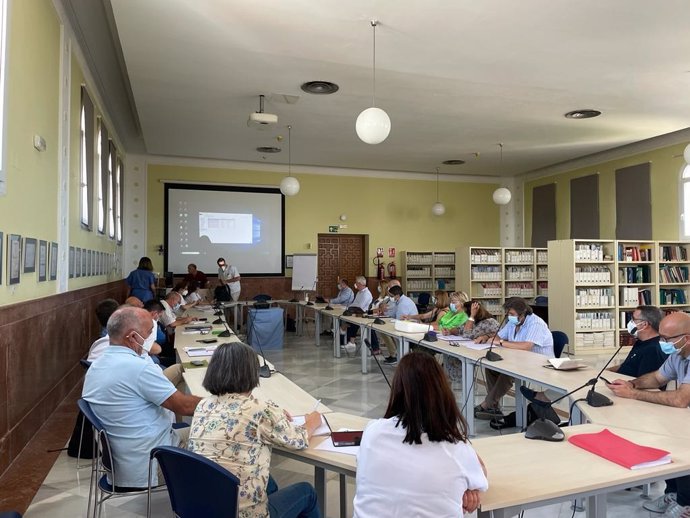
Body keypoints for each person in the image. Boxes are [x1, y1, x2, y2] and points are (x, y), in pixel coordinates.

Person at [189, 342, 322, 518]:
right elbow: (298, 439)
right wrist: (313, 420)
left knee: (270, 484)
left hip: (204, 507)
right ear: (251, 373)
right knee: (307, 492)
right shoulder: (259, 409)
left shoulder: (203, 405)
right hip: (241, 513)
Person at [353, 352, 488, 517]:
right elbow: (481, 474)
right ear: (443, 391)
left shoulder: (372, 432)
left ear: (397, 389)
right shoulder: (456, 449)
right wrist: (471, 488)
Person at [82, 306, 201, 488]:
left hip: (125, 463)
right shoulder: (137, 368)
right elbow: (185, 406)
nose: (150, 339)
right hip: (153, 463)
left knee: (202, 431)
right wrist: (224, 402)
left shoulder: (97, 365)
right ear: (132, 337)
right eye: (149, 333)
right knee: (223, 436)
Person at [607, 311, 690, 517]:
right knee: (668, 438)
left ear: (686, 338)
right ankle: (674, 493)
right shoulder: (678, 354)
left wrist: (634, 394)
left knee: (683, 447)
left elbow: (681, 399)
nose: (661, 342)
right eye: (660, 337)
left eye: (666, 338)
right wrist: (632, 383)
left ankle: (686, 503)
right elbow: (657, 378)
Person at [474, 297, 554, 420]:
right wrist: (486, 337)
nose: (508, 316)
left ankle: (488, 403)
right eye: (507, 314)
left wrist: (501, 342)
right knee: (491, 367)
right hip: (517, 359)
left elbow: (526, 346)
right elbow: (498, 336)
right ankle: (493, 407)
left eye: (511, 314)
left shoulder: (535, 323)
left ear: (522, 314)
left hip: (539, 362)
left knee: (507, 373)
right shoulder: (513, 322)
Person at [444, 301, 500, 383]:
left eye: (467, 312)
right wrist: (449, 331)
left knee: (457, 357)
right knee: (450, 354)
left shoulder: (488, 322)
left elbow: (467, 335)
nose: (465, 315)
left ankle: (462, 382)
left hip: (485, 353)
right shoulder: (473, 321)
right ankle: (453, 382)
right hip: (473, 350)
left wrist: (472, 316)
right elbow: (460, 329)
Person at [609, 305, 668, 378]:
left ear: (644, 324)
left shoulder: (653, 350)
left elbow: (645, 382)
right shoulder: (641, 342)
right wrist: (606, 371)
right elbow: (627, 365)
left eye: (633, 319)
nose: (630, 322)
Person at [379, 285, 419, 364]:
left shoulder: (404, 303)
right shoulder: (399, 301)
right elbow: (393, 313)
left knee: (387, 331)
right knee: (383, 330)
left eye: (391, 296)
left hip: (410, 327)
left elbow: (400, 319)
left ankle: (398, 357)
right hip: (405, 325)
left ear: (397, 295)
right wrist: (384, 311)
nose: (390, 297)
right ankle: (396, 355)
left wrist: (389, 318)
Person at [344, 276, 373, 348]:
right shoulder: (359, 292)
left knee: (353, 322)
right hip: (356, 311)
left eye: (356, 283)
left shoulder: (366, 293)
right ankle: (345, 338)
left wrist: (352, 310)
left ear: (360, 284)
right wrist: (348, 308)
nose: (355, 284)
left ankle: (351, 342)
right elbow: (354, 303)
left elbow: (360, 306)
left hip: (363, 313)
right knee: (345, 318)